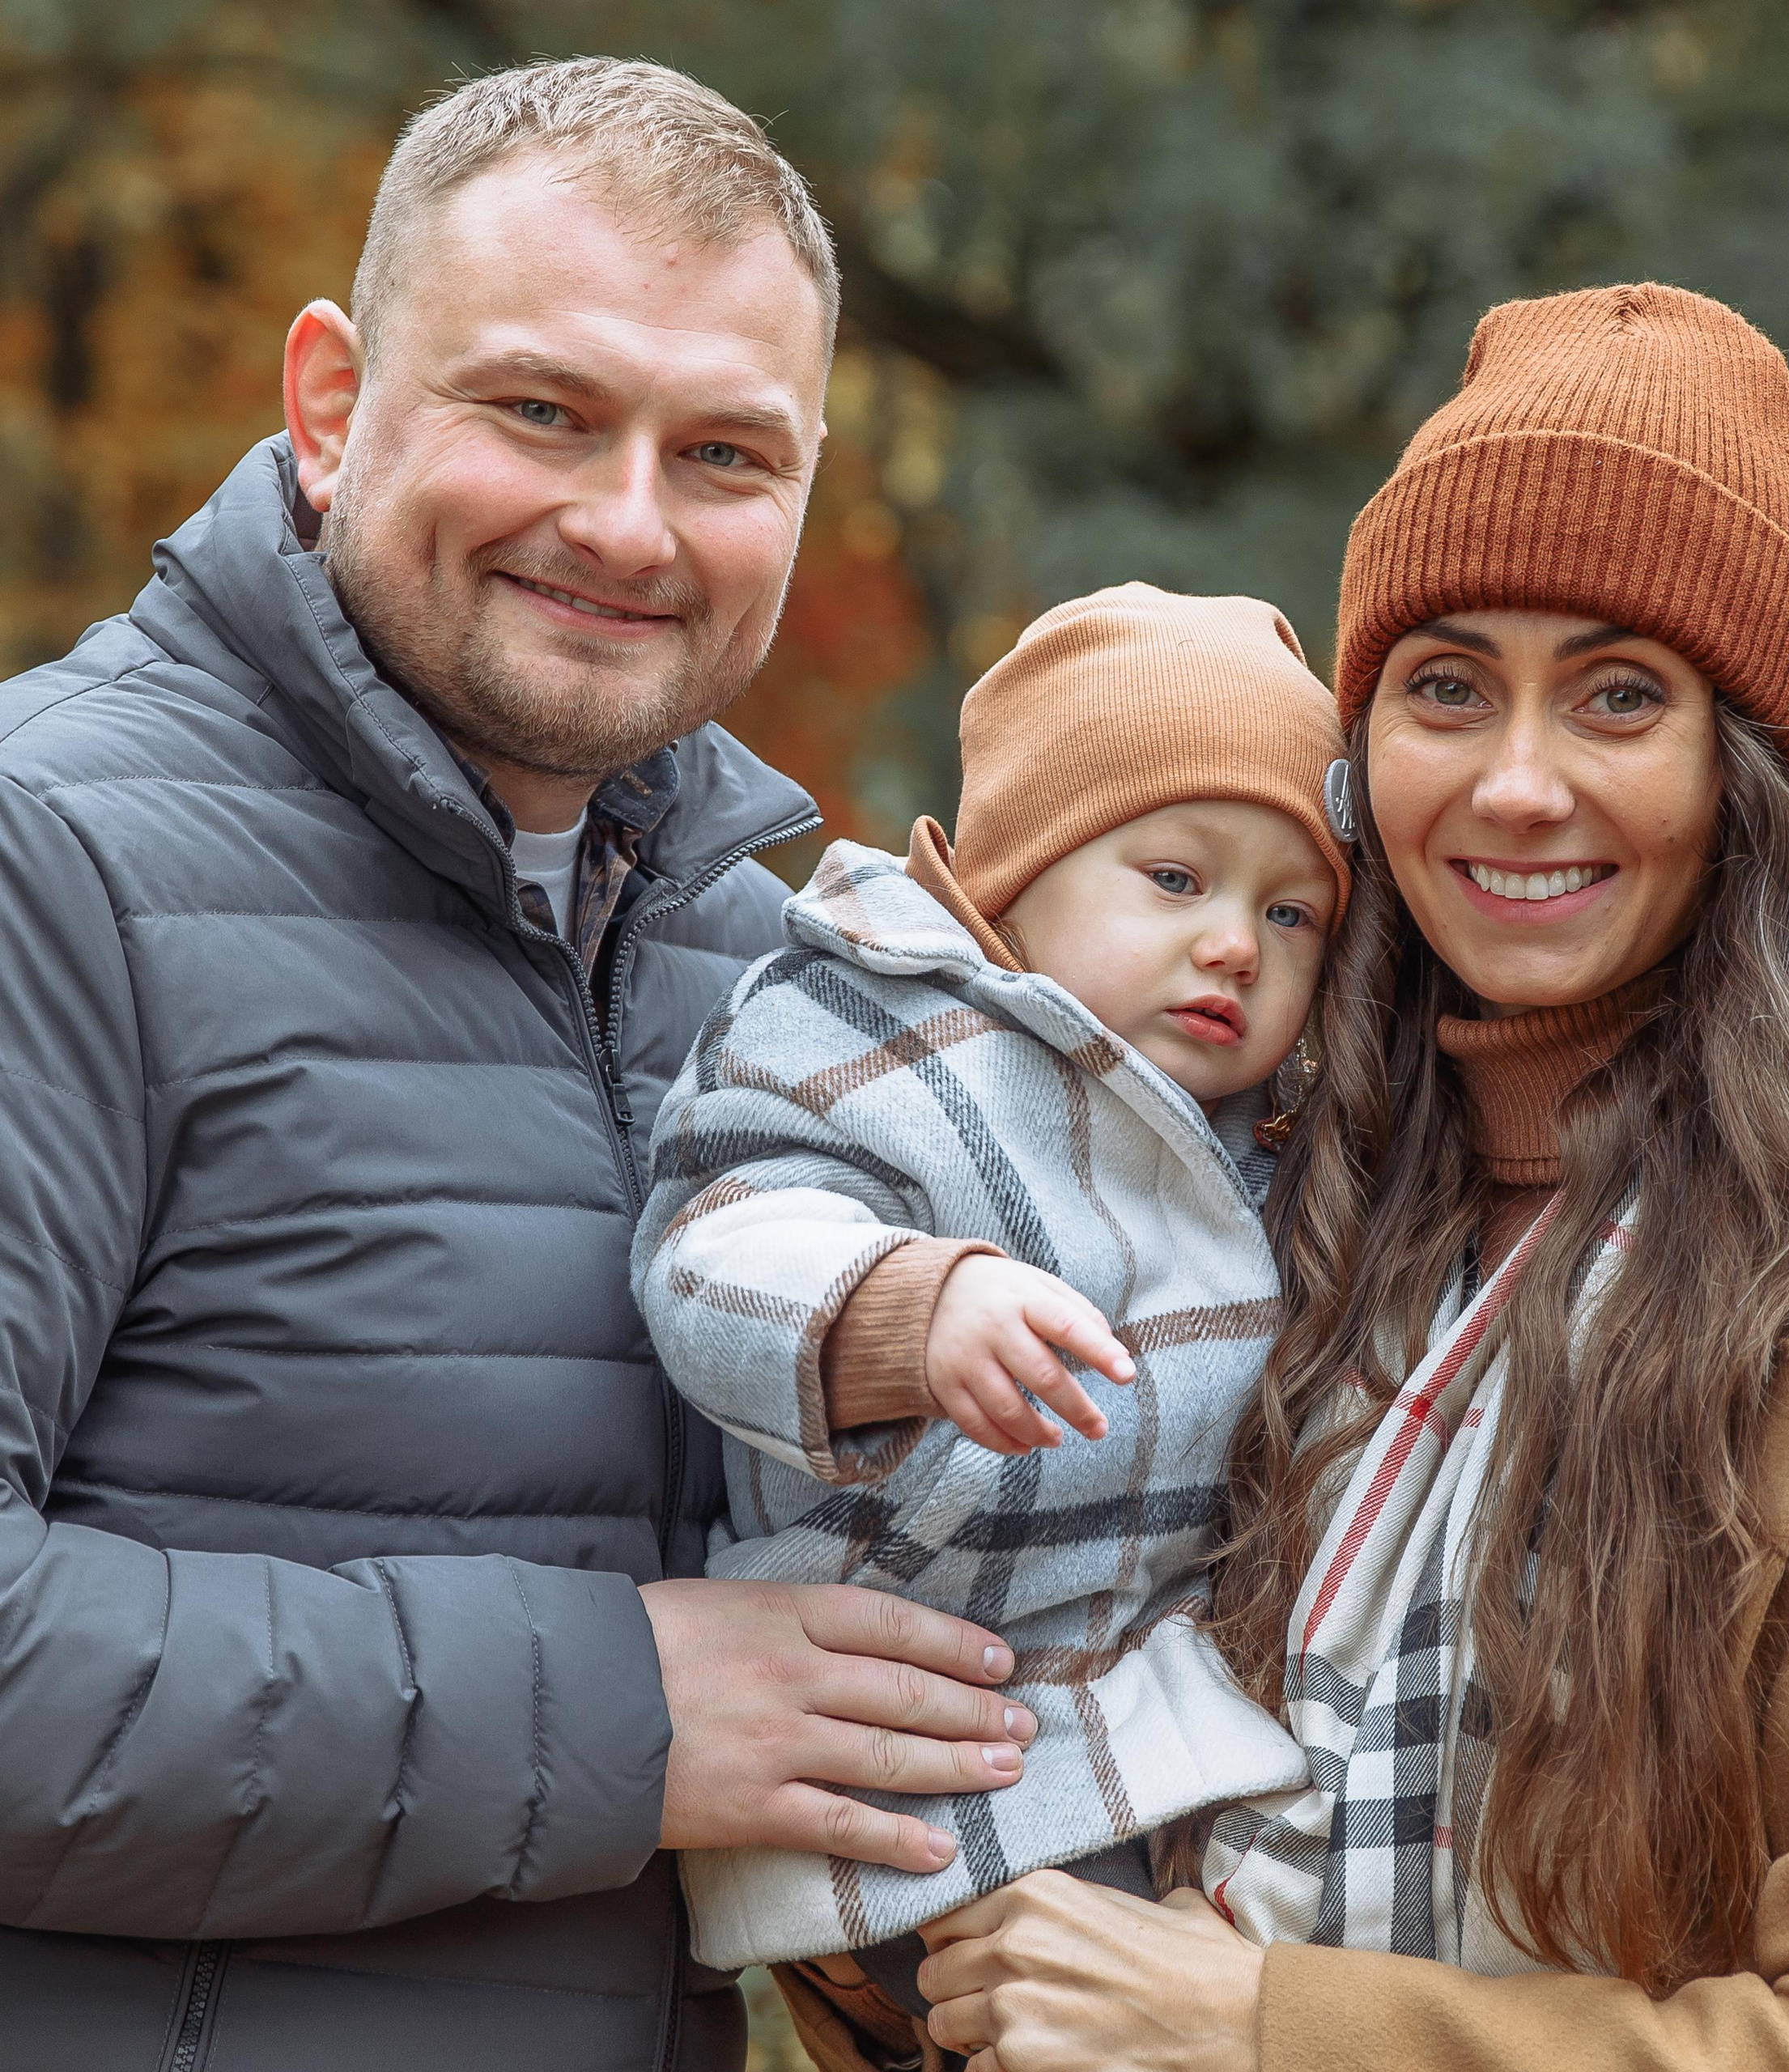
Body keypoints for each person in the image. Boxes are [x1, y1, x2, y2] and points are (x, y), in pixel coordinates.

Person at [0, 57, 1035, 2072]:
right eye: (542, 411)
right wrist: (617, 1713)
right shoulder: (51, 857)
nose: (625, 522)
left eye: (723, 452)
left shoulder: (772, 964)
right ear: (329, 404)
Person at [909, 285, 1789, 2072]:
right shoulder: (1242, 1214)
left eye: (1618, 696)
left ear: (1738, 773)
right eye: (1446, 687)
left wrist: (1273, 2030)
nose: (1517, 785)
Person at [633, 584, 1345, 2040]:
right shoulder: (869, 1017)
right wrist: (906, 1308)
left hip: (1147, 1713)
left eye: (1291, 913)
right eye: (1176, 878)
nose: (1236, 944)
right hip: (904, 1722)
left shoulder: (1267, 1134)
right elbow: (712, 1251)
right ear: (1012, 880)